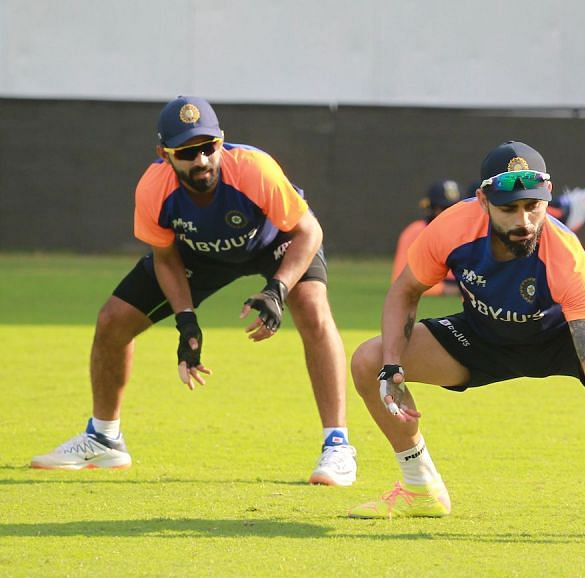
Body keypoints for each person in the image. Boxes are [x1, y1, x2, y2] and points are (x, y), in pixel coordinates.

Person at [348, 141, 585, 534]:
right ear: (483, 201)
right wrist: (392, 365)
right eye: (509, 209)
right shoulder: (451, 227)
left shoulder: (566, 255)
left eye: (532, 206)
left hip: (559, 336)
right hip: (482, 339)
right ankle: (421, 487)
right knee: (369, 360)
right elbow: (405, 291)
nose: (524, 221)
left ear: (547, 196)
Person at [30, 96, 357, 486]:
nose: (201, 160)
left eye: (208, 148)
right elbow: (165, 259)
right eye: (187, 152)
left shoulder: (255, 170)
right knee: (113, 320)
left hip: (276, 243)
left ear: (221, 142)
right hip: (198, 253)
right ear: (164, 154)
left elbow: (309, 231)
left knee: (312, 309)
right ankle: (104, 438)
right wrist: (187, 323)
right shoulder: (154, 189)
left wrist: (277, 289)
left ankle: (337, 446)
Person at [393, 177, 585, 296]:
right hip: (473, 287)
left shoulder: (472, 226)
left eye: (450, 207)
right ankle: (564, 210)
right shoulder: (419, 230)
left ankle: (562, 210)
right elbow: (403, 283)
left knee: (573, 285)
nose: (446, 213)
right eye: (441, 208)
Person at [391, 180, 464, 296]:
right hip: (432, 284)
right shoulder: (415, 231)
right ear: (432, 209)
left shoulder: (471, 231)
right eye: (444, 208)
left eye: (455, 208)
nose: (450, 213)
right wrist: (444, 290)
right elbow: (400, 281)